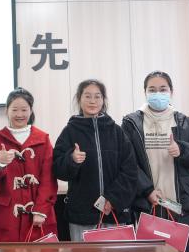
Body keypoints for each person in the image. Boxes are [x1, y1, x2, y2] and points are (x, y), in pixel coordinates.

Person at [122, 71, 189, 252]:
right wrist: (147, 190)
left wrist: (182, 150)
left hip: (181, 204)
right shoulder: (132, 123)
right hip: (149, 203)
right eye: (152, 90)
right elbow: (127, 162)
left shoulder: (184, 121)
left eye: (163, 89)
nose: (158, 94)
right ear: (145, 92)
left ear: (171, 92)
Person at [52, 79, 138, 241]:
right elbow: (58, 169)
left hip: (114, 212)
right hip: (81, 215)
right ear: (79, 99)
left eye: (97, 96)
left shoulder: (117, 132)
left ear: (103, 100)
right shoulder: (69, 131)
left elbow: (130, 170)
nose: (92, 101)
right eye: (87, 96)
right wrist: (72, 160)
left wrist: (113, 198)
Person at [0, 88, 58, 242]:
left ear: (31, 111)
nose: (19, 114)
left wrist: (41, 209)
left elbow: (48, 177)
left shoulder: (43, 139)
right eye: (14, 110)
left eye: (24, 110)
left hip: (38, 213)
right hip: (8, 213)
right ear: (6, 110)